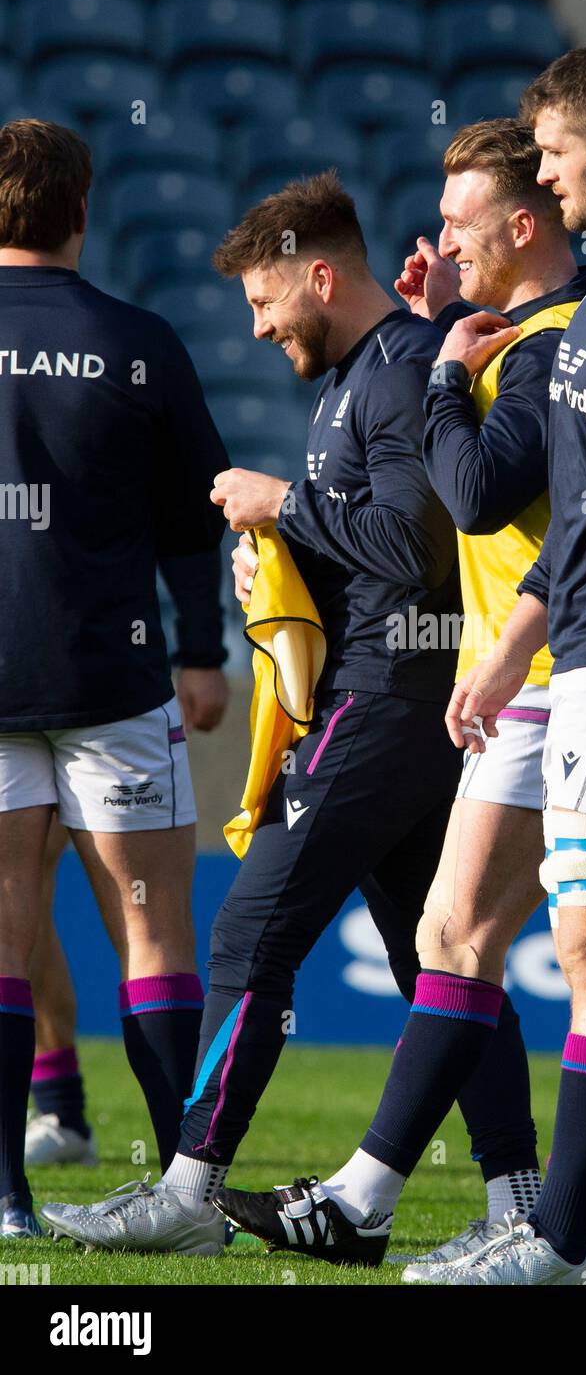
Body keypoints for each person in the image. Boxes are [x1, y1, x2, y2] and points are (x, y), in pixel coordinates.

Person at [217, 118, 586, 1284]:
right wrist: (443, 341)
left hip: (565, 676)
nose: (438, 243)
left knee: (524, 944)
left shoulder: (549, 343)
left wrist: (435, 366)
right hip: (528, 671)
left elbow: (470, 498)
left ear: (524, 224)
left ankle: (416, 1207)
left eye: (463, 226)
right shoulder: (517, 335)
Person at [40, 170, 534, 1258]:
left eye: (266, 303)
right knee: (436, 959)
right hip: (381, 700)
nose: (258, 327)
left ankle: (186, 1193)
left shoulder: (398, 369)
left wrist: (282, 506)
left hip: (390, 696)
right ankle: (515, 1201)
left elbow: (413, 547)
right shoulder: (371, 366)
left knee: (248, 928)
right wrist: (283, 550)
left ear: (320, 274)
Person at [0, 118, 229, 1238]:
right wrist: (201, 649)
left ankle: (6, 1200)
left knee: (1, 935)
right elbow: (201, 517)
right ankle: (188, 1192)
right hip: (116, 679)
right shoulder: (140, 340)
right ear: (83, 209)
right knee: (151, 933)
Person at [27, 631, 229, 1169]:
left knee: (147, 922)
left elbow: (188, 546)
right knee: (17, 901)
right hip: (18, 694)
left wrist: (201, 652)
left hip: (108, 685)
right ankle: (60, 1107)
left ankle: (183, 1173)